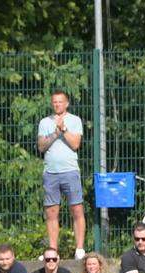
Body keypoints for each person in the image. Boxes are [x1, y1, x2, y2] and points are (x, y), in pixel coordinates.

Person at [36, 90, 86, 258]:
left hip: (70, 171)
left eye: (60, 102)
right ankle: (53, 250)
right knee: (51, 212)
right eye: (54, 102)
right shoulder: (44, 122)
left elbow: (75, 144)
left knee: (76, 208)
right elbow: (41, 146)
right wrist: (54, 133)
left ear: (67, 103)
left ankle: (79, 248)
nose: (57, 104)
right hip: (51, 173)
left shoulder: (75, 120)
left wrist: (63, 130)